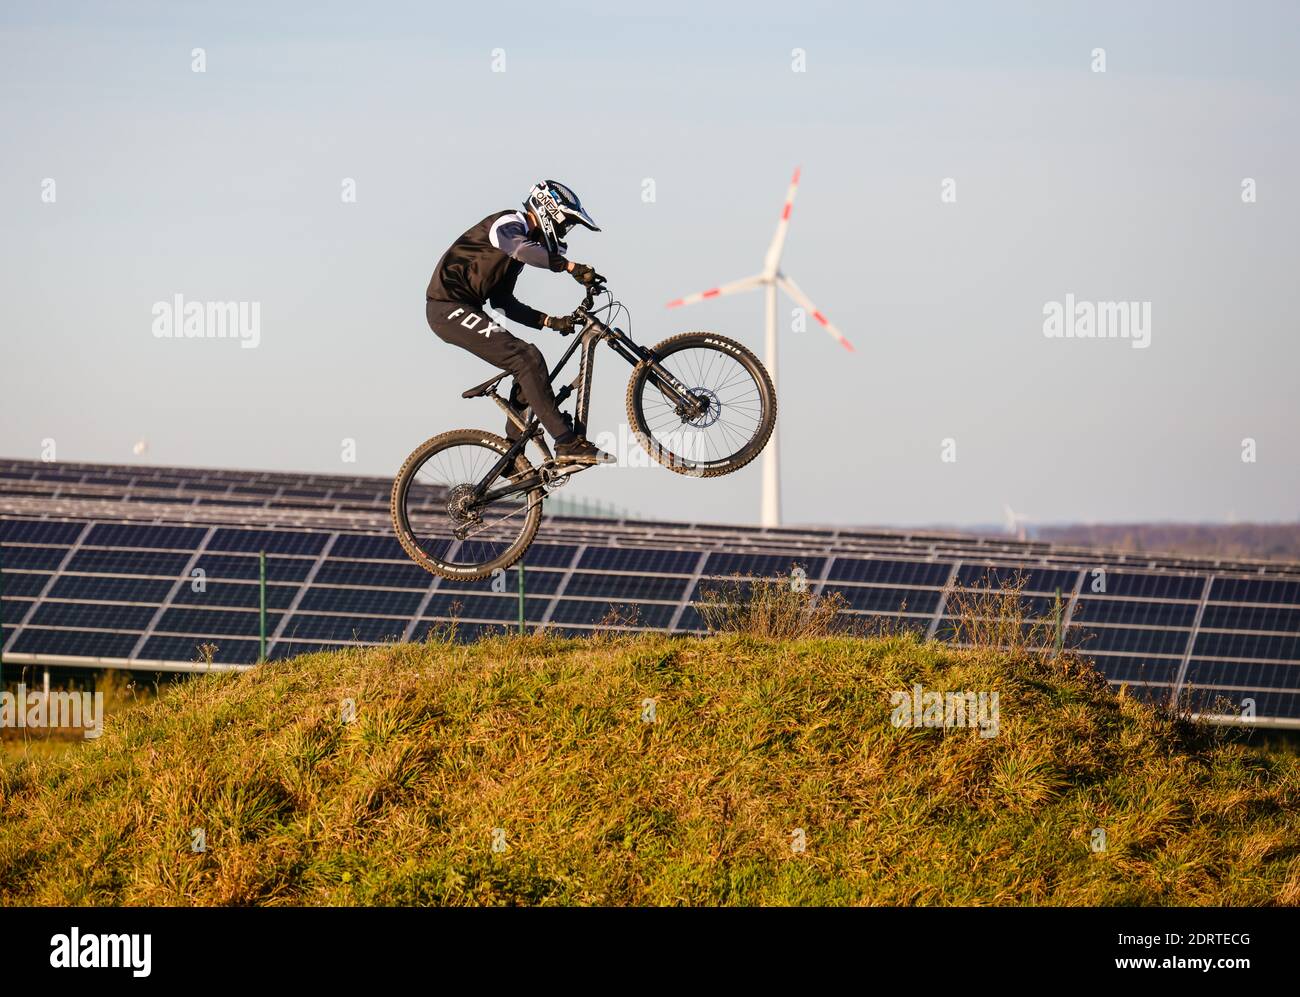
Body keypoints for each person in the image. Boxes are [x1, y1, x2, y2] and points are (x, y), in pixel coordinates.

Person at [425, 180, 614, 465]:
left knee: (527, 361)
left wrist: (550, 321)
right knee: (526, 358)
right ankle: (567, 443)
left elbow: (504, 303)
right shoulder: (509, 223)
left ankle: (511, 456)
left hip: (460, 309)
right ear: (550, 213)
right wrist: (570, 267)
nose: (564, 233)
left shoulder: (515, 254)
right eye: (565, 225)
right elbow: (522, 249)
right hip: (447, 308)